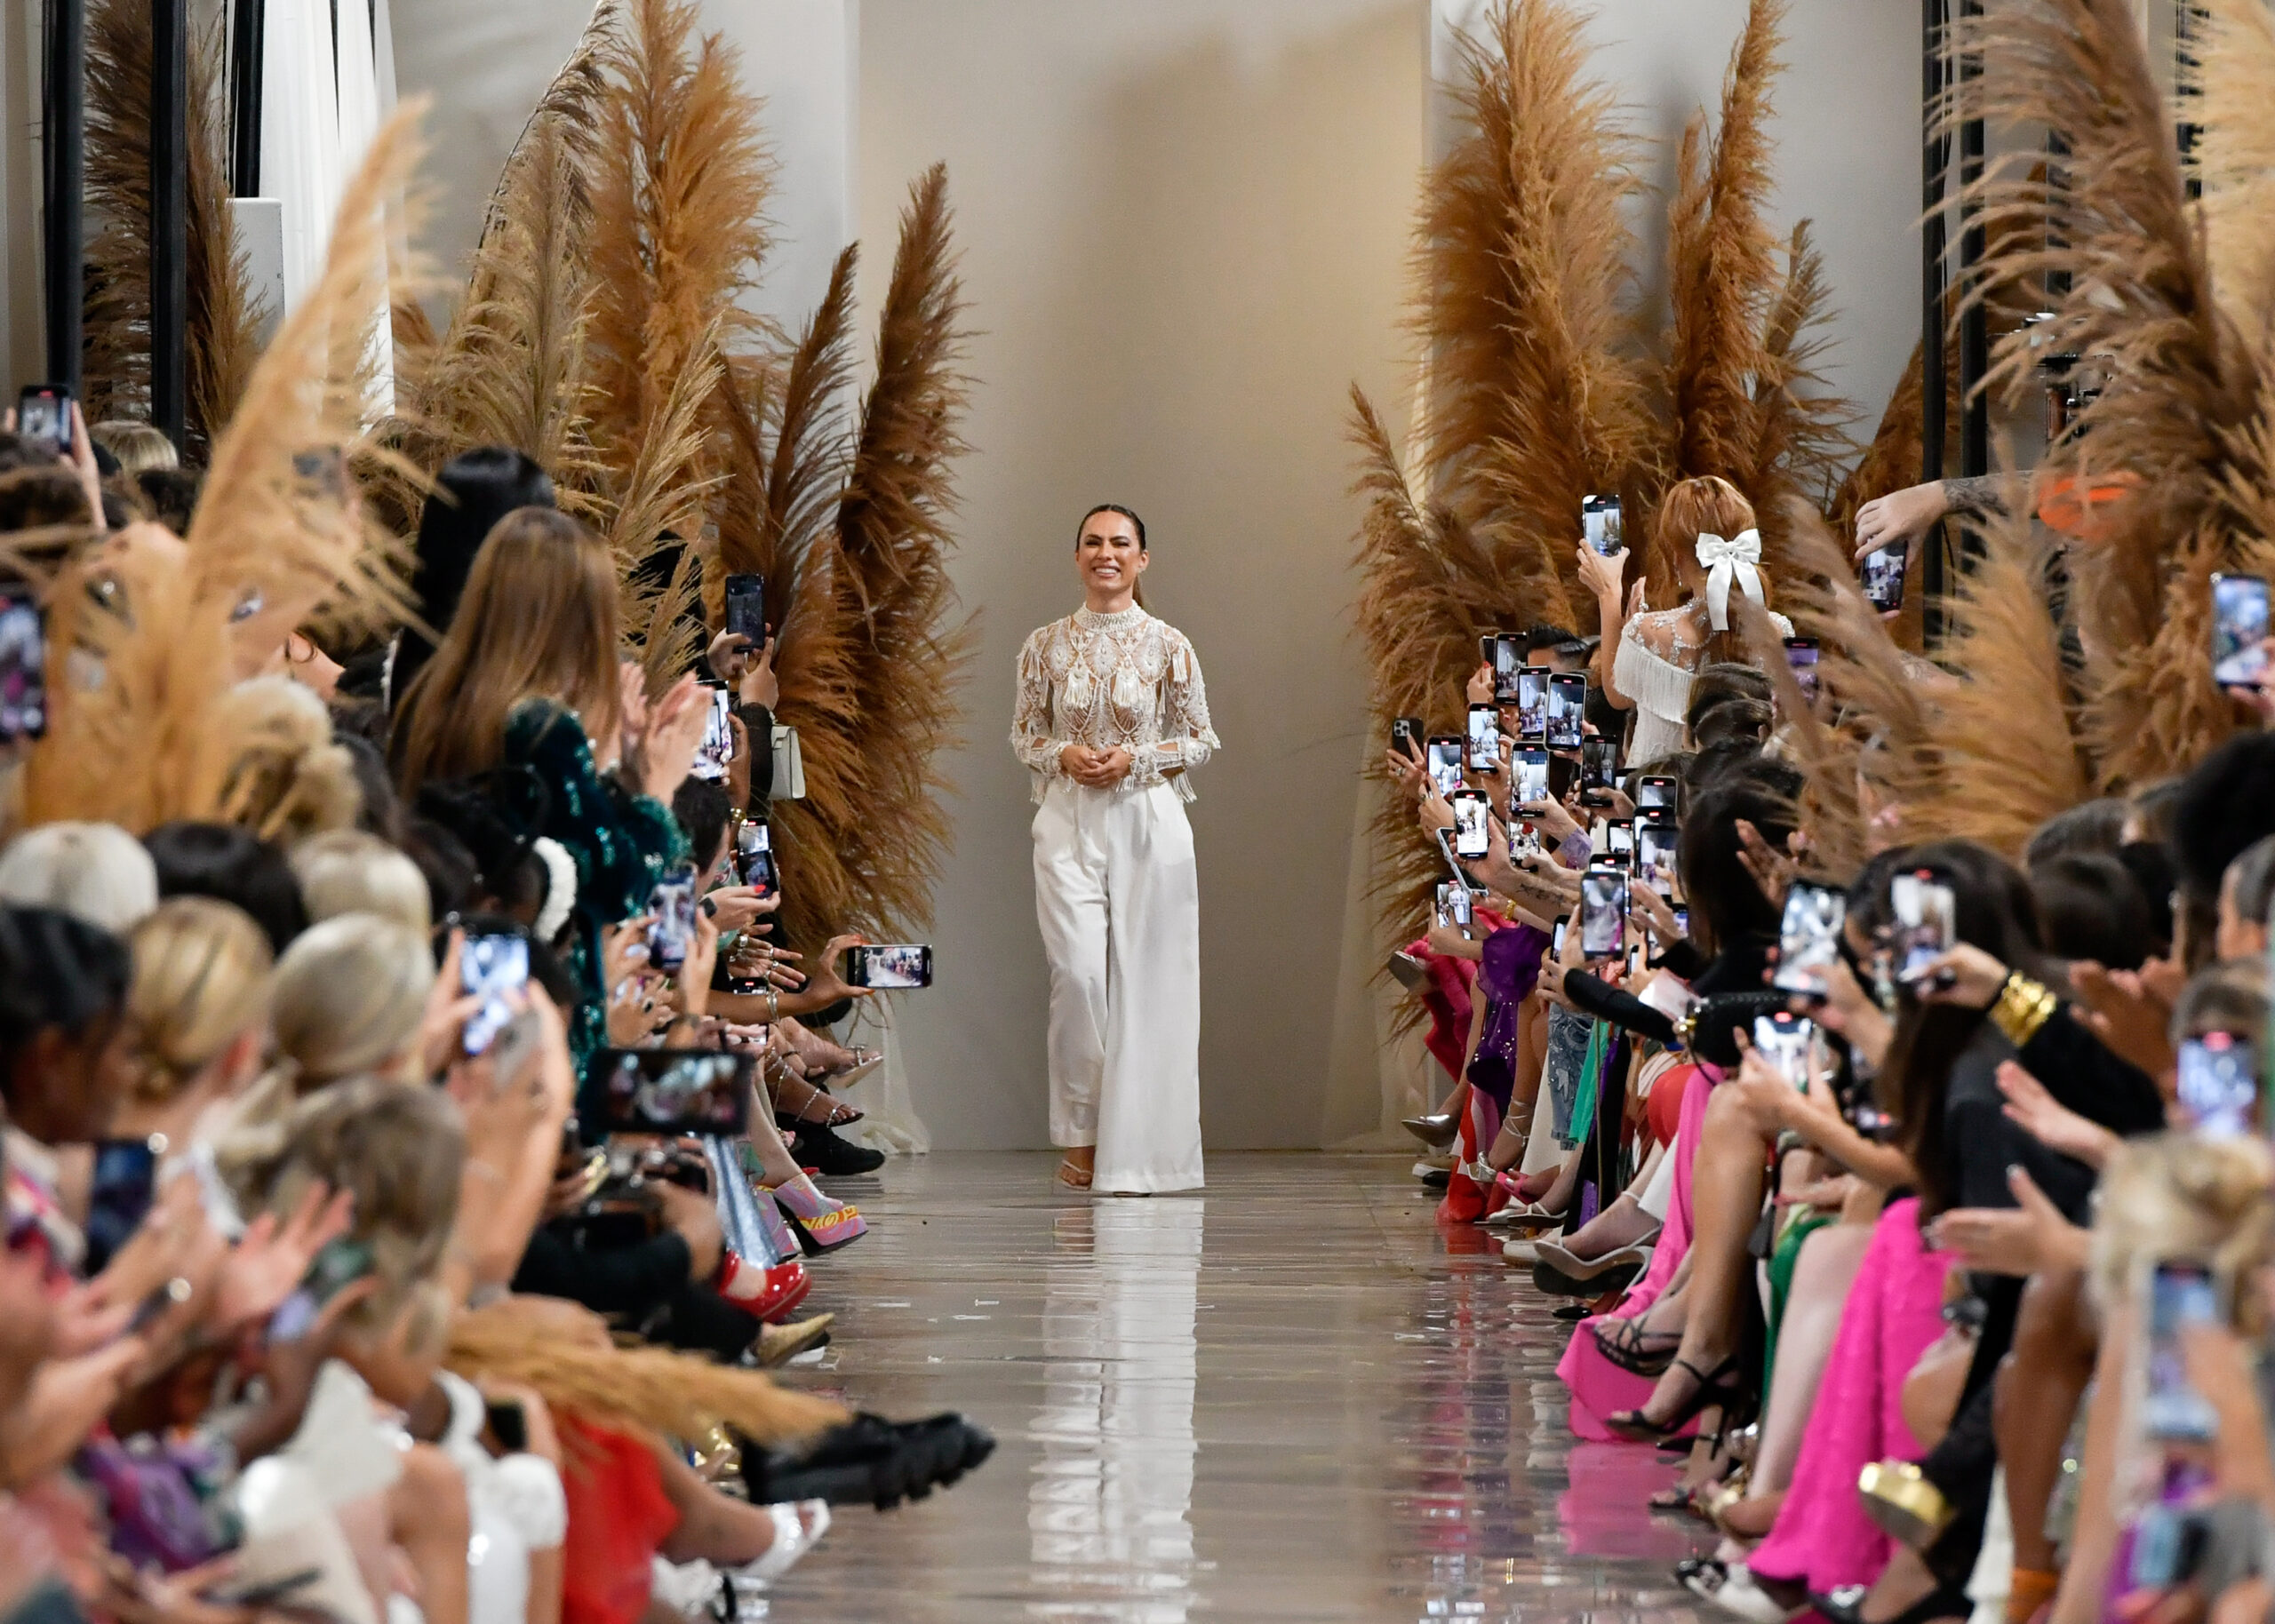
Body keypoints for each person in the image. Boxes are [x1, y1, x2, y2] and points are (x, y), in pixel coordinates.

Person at [1012, 503, 1218, 1194]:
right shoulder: (1043, 644)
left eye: (1120, 543)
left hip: (1149, 821)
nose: (1107, 553)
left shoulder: (1169, 644)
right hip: (1066, 818)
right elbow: (1022, 735)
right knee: (1078, 976)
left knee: (1151, 984)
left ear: (1142, 559)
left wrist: (1130, 759)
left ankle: (1142, 1150)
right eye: (1094, 543)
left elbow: (1199, 739)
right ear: (1077, 557)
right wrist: (1062, 751)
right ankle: (1085, 1134)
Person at [1581, 475, 1794, 766]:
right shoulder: (1780, 632)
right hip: (1742, 799)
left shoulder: (1649, 633)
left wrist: (1609, 593)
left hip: (1656, 796)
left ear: (1677, 556)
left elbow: (1617, 695)